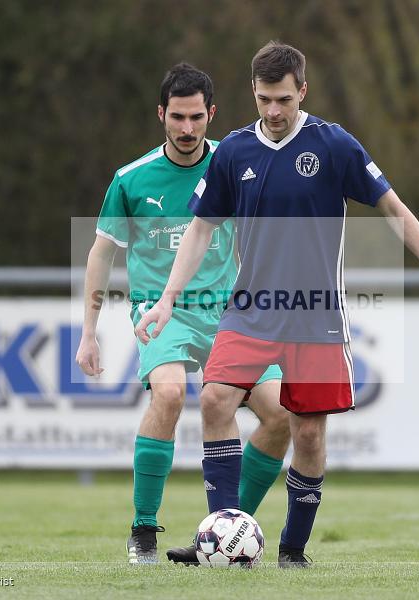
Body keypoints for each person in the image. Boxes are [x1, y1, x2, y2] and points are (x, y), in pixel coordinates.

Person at [136, 42, 419, 568]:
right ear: (253, 92)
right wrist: (166, 300)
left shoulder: (334, 145)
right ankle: (221, 536)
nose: (273, 111)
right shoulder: (234, 152)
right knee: (218, 399)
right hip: (250, 309)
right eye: (266, 99)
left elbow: (392, 207)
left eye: (284, 100)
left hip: (315, 314)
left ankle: (293, 551)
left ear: (303, 92)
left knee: (308, 432)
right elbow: (201, 226)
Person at [76, 63, 290, 565]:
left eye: (197, 117)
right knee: (169, 394)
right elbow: (101, 254)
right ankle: (144, 529)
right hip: (162, 312)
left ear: (211, 114)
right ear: (161, 115)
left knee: (282, 415)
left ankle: (227, 527)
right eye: (178, 117)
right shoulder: (130, 179)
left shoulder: (236, 163)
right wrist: (89, 332)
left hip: (230, 314)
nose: (188, 128)